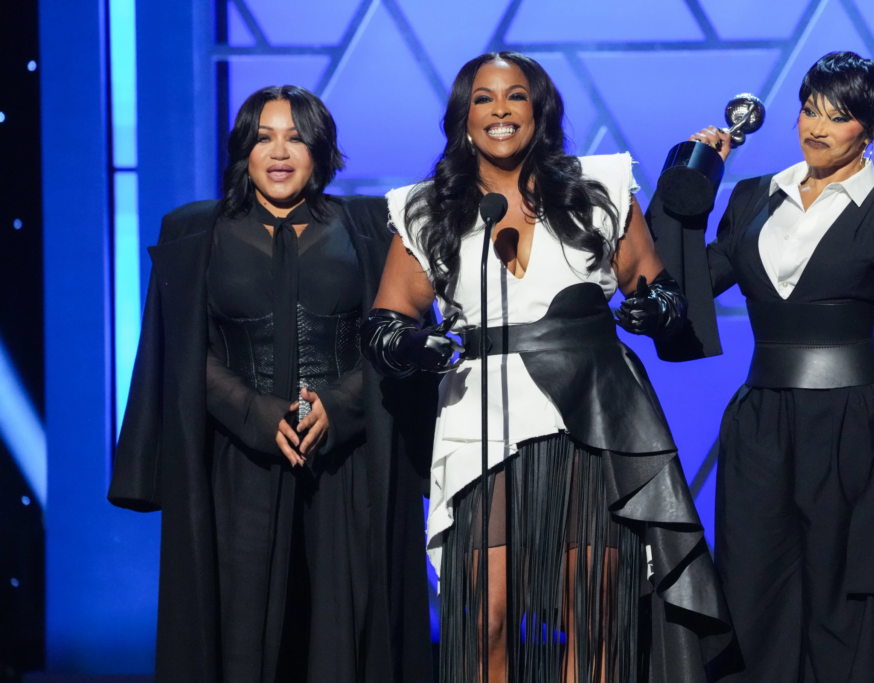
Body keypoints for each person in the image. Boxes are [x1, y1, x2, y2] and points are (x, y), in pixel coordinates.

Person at [362, 52, 737, 683]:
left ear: (540, 110)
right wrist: (408, 344)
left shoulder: (599, 190)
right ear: (464, 114)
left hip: (591, 416)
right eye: (484, 98)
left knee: (593, 613)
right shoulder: (427, 210)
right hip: (481, 422)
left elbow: (660, 291)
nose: (501, 110)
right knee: (484, 616)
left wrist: (652, 308)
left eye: (516, 96)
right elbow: (383, 322)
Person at [648, 52, 874, 682]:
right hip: (760, 423)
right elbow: (681, 297)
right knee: (752, 597)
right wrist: (686, 190)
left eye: (839, 116)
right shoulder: (754, 198)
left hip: (854, 423)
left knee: (847, 607)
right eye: (810, 109)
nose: (817, 127)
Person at [108, 85, 434, 683]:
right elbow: (182, 353)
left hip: (349, 466)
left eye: (296, 137)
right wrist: (256, 413)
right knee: (239, 638)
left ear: (321, 150)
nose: (279, 152)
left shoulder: (371, 226)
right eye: (264, 137)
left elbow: (400, 339)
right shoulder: (194, 233)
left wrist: (338, 406)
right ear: (243, 151)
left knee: (349, 638)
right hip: (235, 466)